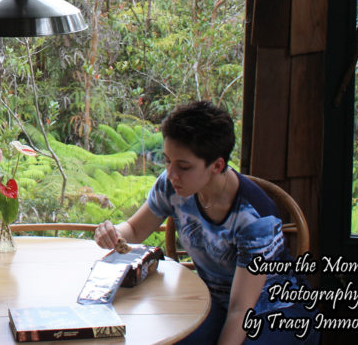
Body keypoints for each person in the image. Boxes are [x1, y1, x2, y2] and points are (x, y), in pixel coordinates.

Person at [94, 101, 318, 344]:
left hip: (273, 310)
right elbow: (136, 229)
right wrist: (113, 233)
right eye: (168, 160)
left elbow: (241, 309)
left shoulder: (254, 218)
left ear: (217, 165)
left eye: (184, 166)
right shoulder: (173, 186)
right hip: (213, 300)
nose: (171, 173)